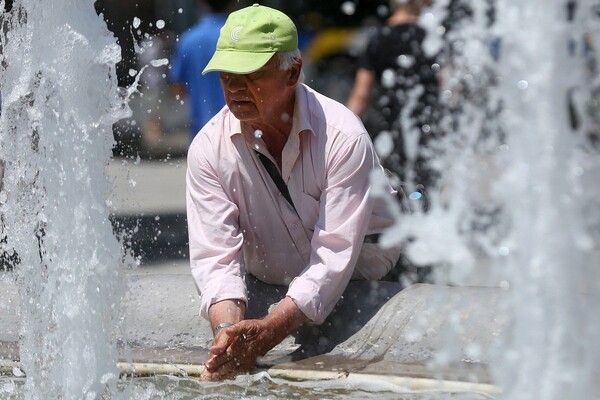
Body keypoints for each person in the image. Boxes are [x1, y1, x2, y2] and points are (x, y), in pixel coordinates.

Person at [187, 4, 404, 382]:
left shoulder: (342, 136)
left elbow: (333, 257)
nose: (235, 87)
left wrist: (267, 333)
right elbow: (216, 260)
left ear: (293, 72)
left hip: (375, 272)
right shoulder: (208, 149)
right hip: (283, 282)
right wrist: (226, 334)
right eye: (226, 74)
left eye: (251, 73)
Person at [346, 0, 441, 196]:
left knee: (397, 193)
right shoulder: (433, 37)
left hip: (392, 131)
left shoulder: (378, 38)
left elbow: (361, 96)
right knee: (430, 193)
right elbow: (447, 86)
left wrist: (340, 133)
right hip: (430, 130)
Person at [169, 0, 237, 143]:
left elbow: (177, 89)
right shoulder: (238, 38)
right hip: (237, 133)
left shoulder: (188, 39)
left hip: (201, 135)